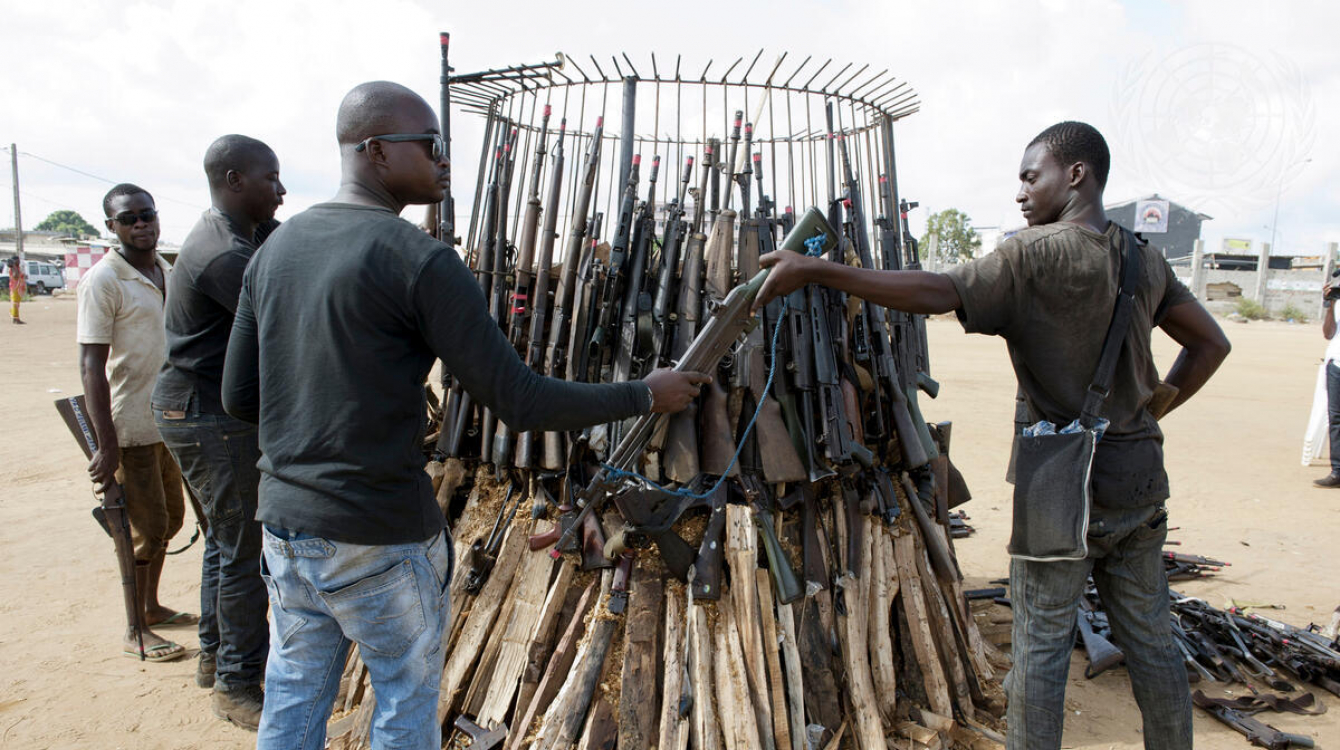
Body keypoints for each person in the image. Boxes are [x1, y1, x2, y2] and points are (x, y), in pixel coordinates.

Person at [221, 81, 709, 749]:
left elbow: (238, 398)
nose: (445, 159)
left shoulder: (273, 251)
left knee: (295, 692)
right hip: (377, 531)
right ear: (376, 152)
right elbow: (520, 399)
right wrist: (643, 394)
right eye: (431, 144)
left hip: (285, 523)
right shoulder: (419, 260)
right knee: (402, 699)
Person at [756, 121, 1231, 750]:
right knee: (1152, 642)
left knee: (1039, 647)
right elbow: (1210, 344)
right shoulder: (1143, 257)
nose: (1020, 192)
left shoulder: (1032, 254)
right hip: (1136, 475)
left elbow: (937, 291)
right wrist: (1147, 413)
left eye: (1031, 176)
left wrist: (818, 270)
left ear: (1077, 175)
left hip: (1060, 488)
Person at [152, 135, 285, 729]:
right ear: (235, 180)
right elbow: (283, 331)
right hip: (208, 415)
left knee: (222, 541)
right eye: (270, 179)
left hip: (194, 408)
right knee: (243, 549)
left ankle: (213, 656)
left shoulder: (234, 237)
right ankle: (236, 684)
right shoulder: (224, 256)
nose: (280, 190)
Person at [79, 184, 197, 662]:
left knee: (168, 520)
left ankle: (150, 608)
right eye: (129, 219)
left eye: (147, 215)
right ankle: (135, 629)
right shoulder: (104, 280)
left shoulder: (166, 270)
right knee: (141, 529)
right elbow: (91, 365)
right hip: (128, 427)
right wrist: (105, 445)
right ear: (112, 227)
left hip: (169, 420)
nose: (141, 224)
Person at [1314, 280, 1340, 487]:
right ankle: (1337, 471)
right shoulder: (1337, 302)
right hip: (1336, 364)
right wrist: (1329, 303)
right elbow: (1328, 333)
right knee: (1336, 419)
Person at [8, 256, 25, 324]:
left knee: (17, 304)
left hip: (18, 288)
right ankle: (15, 319)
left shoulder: (17, 268)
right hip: (15, 287)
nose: (19, 262)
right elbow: (15, 276)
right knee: (15, 303)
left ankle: (16, 318)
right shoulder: (13, 268)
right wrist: (14, 266)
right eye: (17, 260)